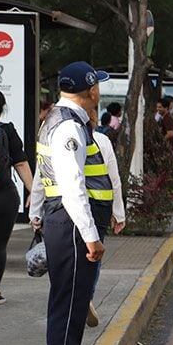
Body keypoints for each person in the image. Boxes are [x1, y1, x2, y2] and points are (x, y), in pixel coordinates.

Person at [35, 61, 114, 345]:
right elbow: (72, 188)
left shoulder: (55, 119)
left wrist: (36, 212)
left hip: (61, 223)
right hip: (70, 225)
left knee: (72, 306)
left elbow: (41, 175)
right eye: (98, 86)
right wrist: (91, 236)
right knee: (68, 309)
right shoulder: (69, 128)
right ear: (91, 90)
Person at [31, 107, 125, 328]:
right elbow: (114, 178)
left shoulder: (52, 132)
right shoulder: (101, 140)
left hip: (59, 210)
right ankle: (85, 297)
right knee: (92, 257)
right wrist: (118, 213)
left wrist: (35, 210)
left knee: (61, 258)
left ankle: (68, 299)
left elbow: (40, 174)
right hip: (95, 209)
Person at [0, 87, 34, 306]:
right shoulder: (6, 130)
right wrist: (34, 193)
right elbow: (21, 163)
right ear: (2, 109)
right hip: (3, 198)